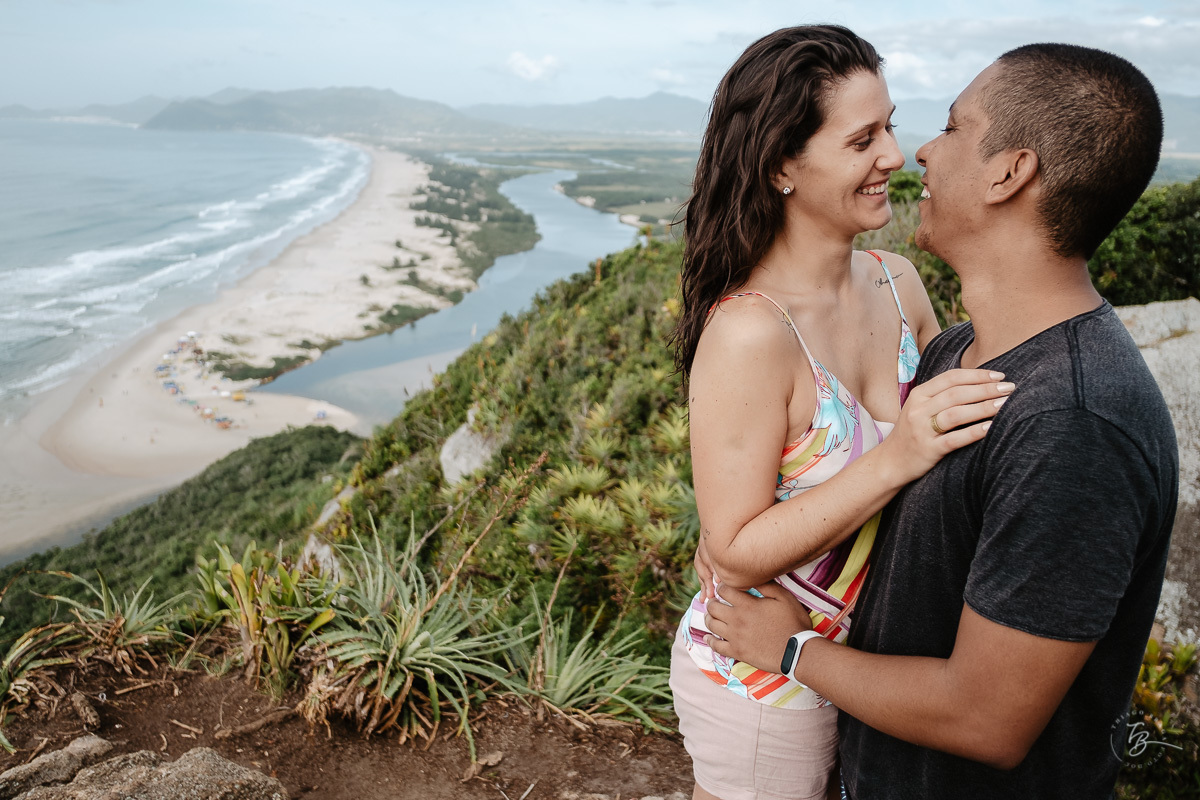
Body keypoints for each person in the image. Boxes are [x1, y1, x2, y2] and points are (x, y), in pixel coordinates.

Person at [703, 43, 1177, 800]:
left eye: (953, 128)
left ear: (1009, 172)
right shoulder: (961, 352)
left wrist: (793, 651)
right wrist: (740, 545)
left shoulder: (1076, 422)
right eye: (867, 137)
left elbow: (988, 720)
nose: (915, 150)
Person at [669, 25, 1012, 800]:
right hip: (761, 683)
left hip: (874, 672)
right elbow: (732, 550)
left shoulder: (899, 283)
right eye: (863, 138)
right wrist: (898, 455)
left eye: (890, 125)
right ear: (783, 165)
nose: (895, 154)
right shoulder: (751, 333)